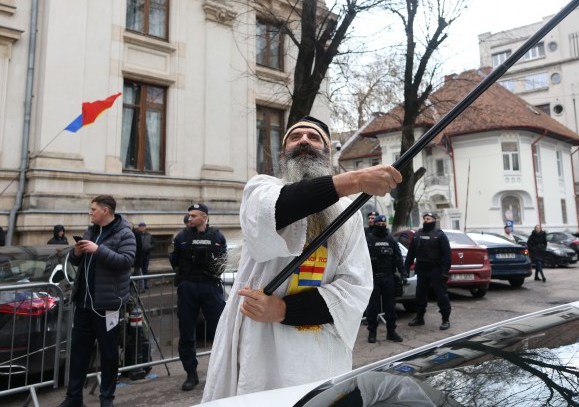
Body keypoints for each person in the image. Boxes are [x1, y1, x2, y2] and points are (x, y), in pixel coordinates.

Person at [201, 116, 401, 402]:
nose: (304, 140)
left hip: (318, 352)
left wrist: (284, 309)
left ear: (327, 153)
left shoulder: (348, 211)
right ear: (283, 153)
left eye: (314, 137)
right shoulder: (262, 189)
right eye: (295, 137)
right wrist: (355, 180)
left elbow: (354, 288)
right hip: (260, 345)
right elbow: (279, 209)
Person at [57, 195, 136, 407]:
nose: (90, 212)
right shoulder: (90, 231)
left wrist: (98, 250)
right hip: (83, 304)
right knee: (79, 353)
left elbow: (126, 262)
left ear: (106, 210)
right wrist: (77, 252)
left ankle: (107, 398)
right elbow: (76, 261)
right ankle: (74, 397)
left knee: (109, 355)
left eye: (93, 209)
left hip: (107, 305)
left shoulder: (124, 233)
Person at [168, 203, 227, 392]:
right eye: (189, 215)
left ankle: (220, 372)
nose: (189, 218)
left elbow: (223, 262)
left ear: (204, 217)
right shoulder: (182, 237)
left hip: (210, 286)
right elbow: (174, 260)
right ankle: (191, 374)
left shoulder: (217, 236)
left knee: (218, 331)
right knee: (186, 331)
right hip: (188, 287)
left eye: (193, 215)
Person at [404, 212, 452, 331]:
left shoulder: (440, 235)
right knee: (420, 295)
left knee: (441, 296)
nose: (426, 220)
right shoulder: (417, 235)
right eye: (425, 218)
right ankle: (419, 317)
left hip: (436, 269)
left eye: (428, 218)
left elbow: (447, 255)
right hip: (422, 270)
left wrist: (445, 272)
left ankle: (445, 319)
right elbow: (411, 254)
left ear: (434, 220)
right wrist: (406, 269)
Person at [365, 214, 405, 343]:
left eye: (383, 224)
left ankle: (391, 331)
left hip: (388, 276)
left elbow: (398, 258)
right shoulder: (368, 239)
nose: (381, 226)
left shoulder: (391, 239)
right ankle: (372, 332)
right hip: (373, 277)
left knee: (390, 306)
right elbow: (360, 259)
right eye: (379, 224)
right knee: (373, 307)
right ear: (375, 224)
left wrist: (403, 273)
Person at [137, 222, 153, 290]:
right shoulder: (136, 234)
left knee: (145, 269)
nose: (142, 227)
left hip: (146, 255)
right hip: (139, 255)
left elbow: (154, 243)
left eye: (143, 226)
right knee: (138, 271)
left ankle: (145, 284)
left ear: (145, 227)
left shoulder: (149, 235)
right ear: (139, 227)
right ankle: (139, 286)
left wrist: (150, 247)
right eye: (140, 226)